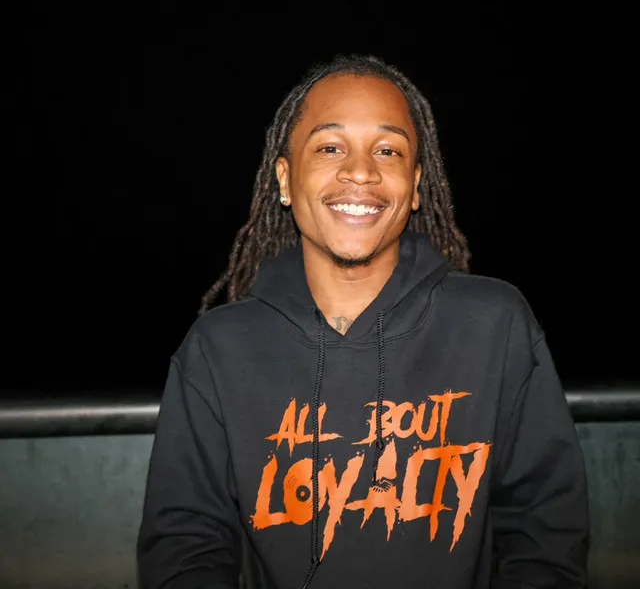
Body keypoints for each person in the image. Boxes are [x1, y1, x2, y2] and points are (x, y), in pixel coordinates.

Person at [137, 54, 589, 588]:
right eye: (330, 147)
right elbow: (186, 546)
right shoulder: (218, 349)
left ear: (415, 185)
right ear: (285, 179)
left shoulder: (494, 325)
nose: (360, 171)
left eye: (387, 150)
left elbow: (545, 530)